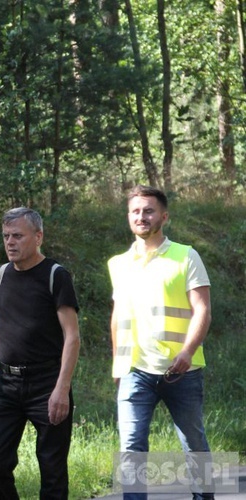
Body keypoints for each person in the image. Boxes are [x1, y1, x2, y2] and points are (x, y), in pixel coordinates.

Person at [108, 186, 213, 500]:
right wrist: (117, 362)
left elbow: (203, 310)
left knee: (193, 443)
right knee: (131, 448)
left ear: (164, 217)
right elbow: (118, 316)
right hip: (134, 371)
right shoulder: (118, 263)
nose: (141, 216)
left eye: (149, 210)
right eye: (135, 211)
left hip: (182, 370)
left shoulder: (185, 255)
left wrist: (187, 352)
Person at [0, 207, 80, 499]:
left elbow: (72, 337)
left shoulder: (56, 276)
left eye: (18, 236)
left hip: (47, 383)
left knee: (52, 467)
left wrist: (62, 388)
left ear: (38, 237)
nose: (10, 242)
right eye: (7, 236)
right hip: (5, 384)